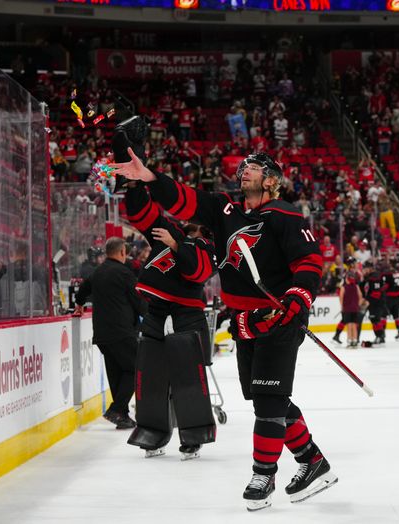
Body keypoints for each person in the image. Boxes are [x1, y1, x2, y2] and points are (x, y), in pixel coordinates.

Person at [114, 149, 337, 511]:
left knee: (268, 400)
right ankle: (312, 460)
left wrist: (298, 298)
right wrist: (150, 178)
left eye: (253, 168)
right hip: (246, 322)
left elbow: (309, 261)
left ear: (270, 179)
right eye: (243, 167)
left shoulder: (286, 215)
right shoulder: (224, 210)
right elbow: (186, 200)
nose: (244, 171)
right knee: (268, 398)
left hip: (278, 317)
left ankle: (263, 473)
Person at [122, 180, 218, 460]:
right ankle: (152, 431)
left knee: (189, 381)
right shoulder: (172, 233)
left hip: (187, 317)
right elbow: (145, 215)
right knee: (149, 377)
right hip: (156, 314)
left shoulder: (212, 247)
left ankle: (194, 435)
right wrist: (134, 185)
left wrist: (177, 244)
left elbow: (197, 272)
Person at [74, 237, 146, 428]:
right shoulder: (124, 273)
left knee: (117, 372)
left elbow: (82, 289)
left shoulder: (97, 272)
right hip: (121, 331)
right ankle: (117, 409)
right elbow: (138, 301)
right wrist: (151, 316)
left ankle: (121, 415)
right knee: (137, 366)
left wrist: (79, 304)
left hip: (102, 333)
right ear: (122, 252)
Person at [361, 261, 388, 345]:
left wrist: (367, 300)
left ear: (369, 268)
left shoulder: (375, 276)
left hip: (376, 302)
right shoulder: (368, 277)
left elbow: (376, 292)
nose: (363, 270)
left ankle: (380, 336)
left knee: (375, 319)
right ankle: (379, 336)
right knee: (373, 319)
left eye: (365, 269)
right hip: (373, 302)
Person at [338, 269, 363, 348]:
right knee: (354, 325)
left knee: (349, 325)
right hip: (355, 309)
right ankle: (354, 340)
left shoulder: (343, 287)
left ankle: (349, 341)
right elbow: (360, 296)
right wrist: (358, 305)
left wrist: (342, 307)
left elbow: (341, 298)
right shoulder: (356, 286)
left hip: (347, 309)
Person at [382, 263, 399, 340]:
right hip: (397, 297)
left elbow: (386, 286)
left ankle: (382, 333)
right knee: (396, 316)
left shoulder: (388, 274)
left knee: (384, 315)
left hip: (389, 297)